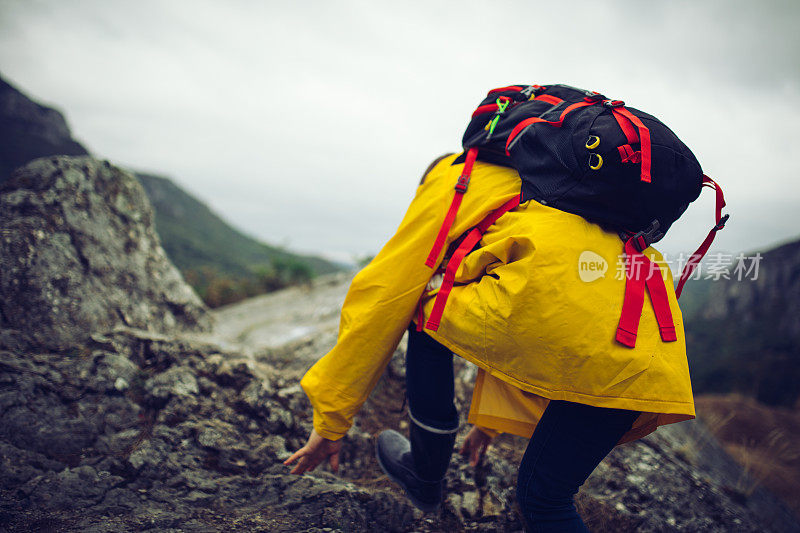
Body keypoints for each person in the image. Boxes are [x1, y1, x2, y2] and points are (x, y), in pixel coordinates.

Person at [285, 151, 695, 531]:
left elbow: (386, 292)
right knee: (546, 498)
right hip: (650, 344)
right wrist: (487, 425)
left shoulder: (454, 181)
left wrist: (331, 423)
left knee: (424, 305)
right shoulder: (559, 195)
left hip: (586, 336)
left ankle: (425, 473)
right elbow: (537, 314)